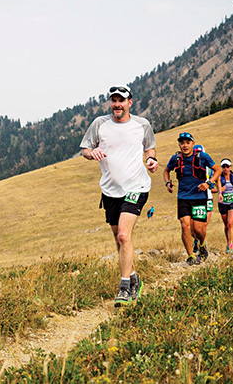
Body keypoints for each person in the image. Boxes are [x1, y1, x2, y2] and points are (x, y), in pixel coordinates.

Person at [80, 85, 159, 307]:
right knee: (119, 240)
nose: (117, 104)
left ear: (130, 102)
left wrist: (151, 160)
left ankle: (124, 287)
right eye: (114, 100)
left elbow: (150, 148)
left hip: (136, 186)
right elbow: (85, 149)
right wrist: (91, 153)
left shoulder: (141, 124)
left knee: (124, 235)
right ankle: (134, 278)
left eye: (121, 100)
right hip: (110, 190)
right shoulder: (100, 124)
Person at [163, 133, 221, 266]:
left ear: (193, 144)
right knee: (185, 225)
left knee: (198, 230)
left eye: (187, 142)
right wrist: (167, 183)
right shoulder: (176, 158)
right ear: (179, 145)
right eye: (182, 143)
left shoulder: (202, 157)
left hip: (200, 197)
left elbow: (217, 170)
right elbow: (166, 171)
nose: (185, 145)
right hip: (183, 197)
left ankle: (202, 244)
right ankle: (190, 256)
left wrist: (208, 182)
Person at [191, 144, 217, 261]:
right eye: (196, 153)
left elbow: (216, 181)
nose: (198, 156)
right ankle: (197, 241)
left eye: (199, 153)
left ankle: (202, 250)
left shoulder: (210, 167)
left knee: (203, 225)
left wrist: (219, 192)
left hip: (207, 198)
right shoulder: (189, 166)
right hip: (193, 198)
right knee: (193, 228)